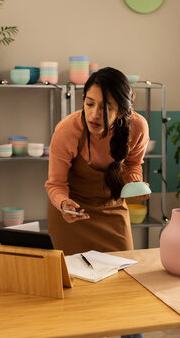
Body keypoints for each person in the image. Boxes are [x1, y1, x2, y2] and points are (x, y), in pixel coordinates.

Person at [45, 67, 150, 256]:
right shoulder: (67, 131)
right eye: (90, 104)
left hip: (113, 208)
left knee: (123, 277)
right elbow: (56, 184)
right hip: (72, 216)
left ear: (120, 111)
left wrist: (134, 182)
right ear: (83, 98)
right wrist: (63, 204)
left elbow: (133, 164)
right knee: (69, 282)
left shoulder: (138, 127)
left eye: (106, 107)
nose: (94, 114)